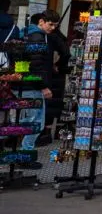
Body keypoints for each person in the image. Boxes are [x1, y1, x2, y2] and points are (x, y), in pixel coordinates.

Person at [20, 9, 60, 155]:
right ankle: (25, 154)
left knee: (24, 121)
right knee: (36, 123)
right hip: (32, 86)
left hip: (22, 84)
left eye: (55, 25)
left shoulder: (26, 33)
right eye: (51, 24)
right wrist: (43, 87)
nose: (53, 28)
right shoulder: (37, 37)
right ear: (41, 22)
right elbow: (36, 65)